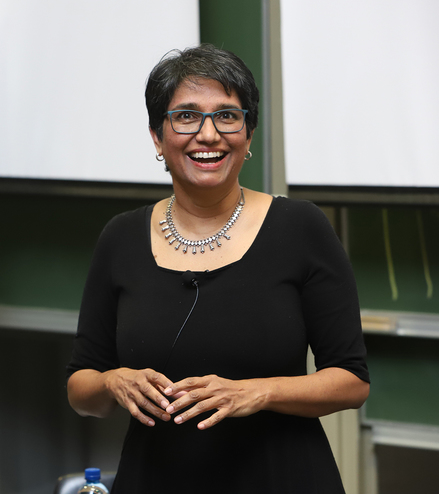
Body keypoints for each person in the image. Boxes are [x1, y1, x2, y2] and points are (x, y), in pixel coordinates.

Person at [66, 44, 370, 493]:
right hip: (155, 480)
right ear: (157, 136)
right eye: (186, 116)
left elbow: (350, 381)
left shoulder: (300, 227)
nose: (208, 134)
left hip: (280, 479)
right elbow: (81, 389)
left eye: (227, 116)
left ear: (248, 134)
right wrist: (113, 382)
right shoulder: (121, 238)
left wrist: (257, 392)